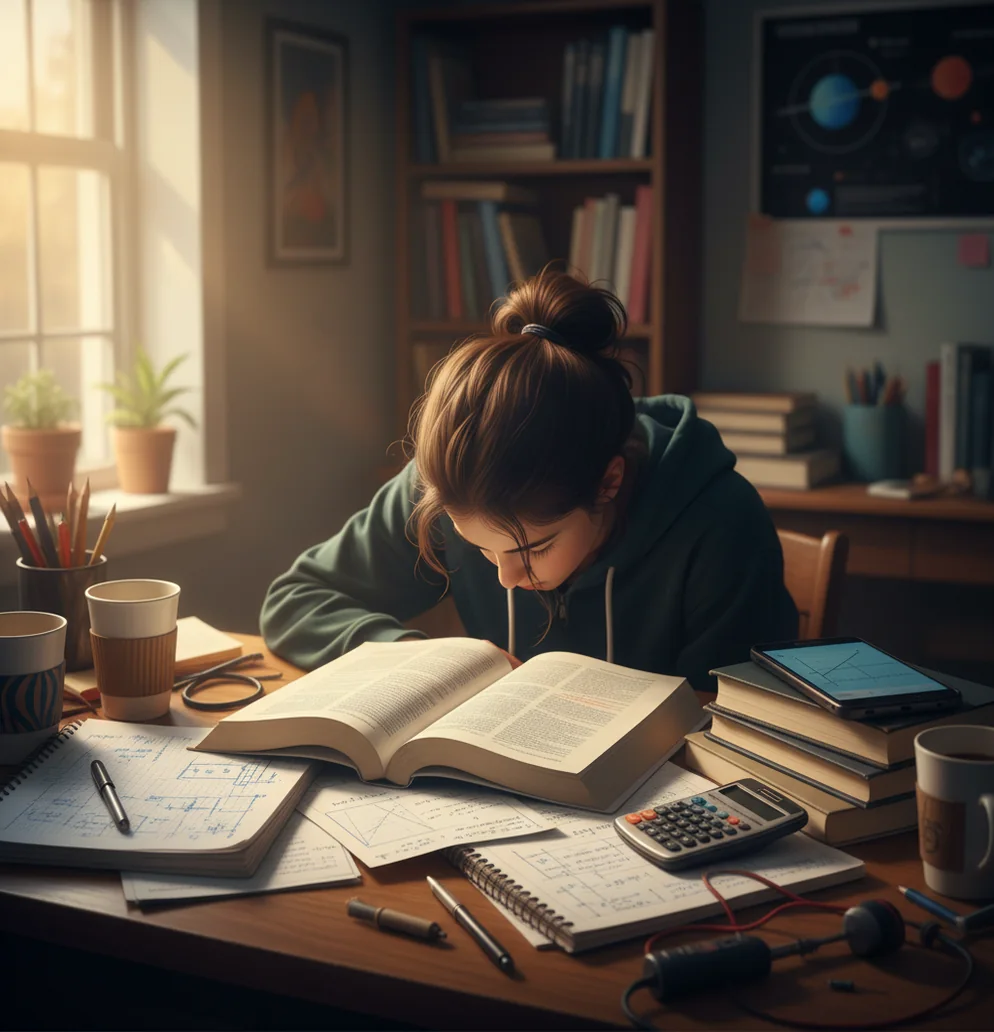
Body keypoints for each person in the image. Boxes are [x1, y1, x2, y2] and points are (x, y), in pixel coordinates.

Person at [260, 268, 797, 691]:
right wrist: (420, 658)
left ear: (608, 483)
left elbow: (733, 723)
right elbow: (295, 600)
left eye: (533, 548)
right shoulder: (448, 485)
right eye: (483, 550)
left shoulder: (721, 524)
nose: (506, 579)